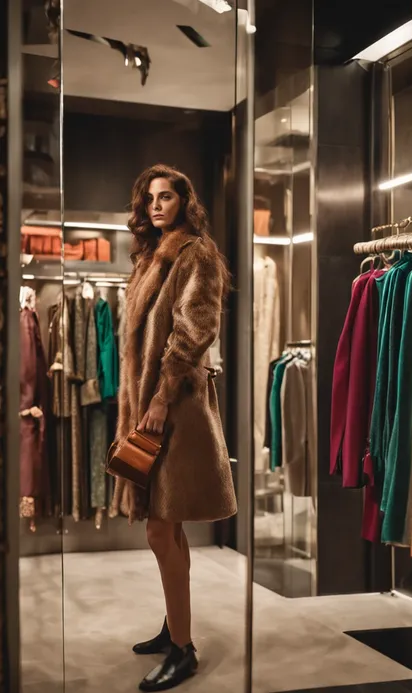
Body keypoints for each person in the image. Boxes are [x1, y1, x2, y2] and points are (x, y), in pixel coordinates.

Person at [116, 164, 237, 691]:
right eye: (149, 199)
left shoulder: (196, 253)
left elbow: (195, 328)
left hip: (176, 407)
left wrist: (163, 397)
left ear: (186, 201)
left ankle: (183, 650)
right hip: (149, 406)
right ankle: (175, 626)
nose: (156, 206)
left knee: (160, 524)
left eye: (166, 197)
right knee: (168, 525)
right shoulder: (150, 258)